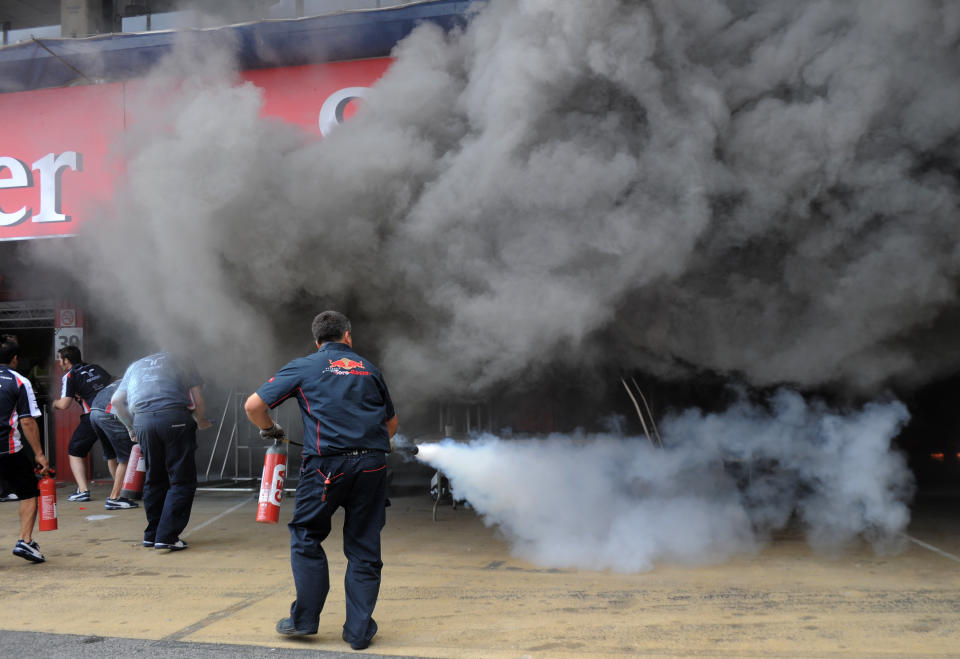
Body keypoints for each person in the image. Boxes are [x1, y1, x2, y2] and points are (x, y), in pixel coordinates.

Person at [244, 310, 398, 650]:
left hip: (326, 467)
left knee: (306, 536)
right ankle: (358, 632)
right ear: (348, 337)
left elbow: (253, 406)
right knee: (364, 547)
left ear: (317, 342)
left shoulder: (305, 366)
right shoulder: (369, 369)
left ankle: (304, 620)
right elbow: (391, 425)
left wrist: (270, 430)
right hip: (372, 465)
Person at [111, 352, 212, 551]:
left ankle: (152, 534)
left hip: (142, 422)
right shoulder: (183, 359)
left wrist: (132, 428)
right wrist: (200, 422)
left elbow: (116, 401)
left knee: (154, 478)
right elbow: (198, 401)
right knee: (182, 480)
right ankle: (167, 536)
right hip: (174, 418)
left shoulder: (136, 365)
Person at [0, 341, 51, 563]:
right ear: (15, 359)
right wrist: (39, 454)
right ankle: (25, 541)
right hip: (8, 449)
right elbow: (27, 422)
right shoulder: (19, 381)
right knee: (29, 491)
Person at [53, 346, 115, 502]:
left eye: (60, 359)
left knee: (75, 450)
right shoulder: (95, 368)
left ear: (66, 360)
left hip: (93, 415)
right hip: (112, 413)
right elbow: (114, 382)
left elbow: (64, 404)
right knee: (112, 453)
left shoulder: (70, 375)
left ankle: (83, 490)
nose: (60, 362)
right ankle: (121, 491)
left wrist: (54, 403)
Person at [89, 381, 139, 510]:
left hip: (94, 412)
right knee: (126, 458)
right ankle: (115, 498)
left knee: (111, 455)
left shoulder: (121, 381)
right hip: (109, 413)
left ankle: (119, 492)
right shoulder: (140, 382)